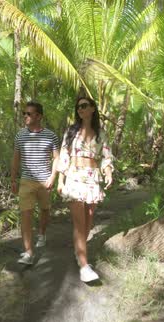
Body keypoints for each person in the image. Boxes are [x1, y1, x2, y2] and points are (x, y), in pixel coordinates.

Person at [57, 97, 114, 282]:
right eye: (78, 107)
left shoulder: (100, 133)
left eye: (84, 106)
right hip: (74, 177)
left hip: (92, 178)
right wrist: (60, 180)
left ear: (92, 109)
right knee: (79, 223)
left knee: (88, 222)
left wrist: (108, 173)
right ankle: (84, 265)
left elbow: (106, 156)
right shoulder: (71, 131)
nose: (80, 109)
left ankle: (78, 251)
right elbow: (64, 155)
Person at [11, 101, 60, 265]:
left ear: (39, 116)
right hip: (26, 181)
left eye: (29, 114)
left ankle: (42, 233)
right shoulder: (20, 135)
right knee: (26, 215)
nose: (25, 116)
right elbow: (16, 158)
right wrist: (13, 179)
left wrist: (52, 177)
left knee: (45, 210)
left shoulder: (51, 136)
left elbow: (57, 159)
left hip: (44, 181)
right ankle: (29, 253)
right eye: (24, 113)